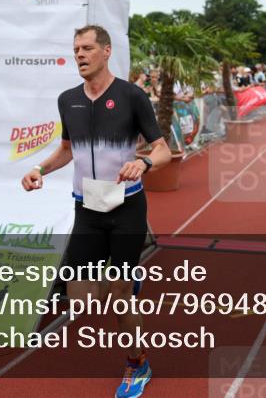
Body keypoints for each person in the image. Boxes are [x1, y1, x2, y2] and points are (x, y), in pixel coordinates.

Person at [22, 25, 171, 398]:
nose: (80, 55)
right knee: (82, 299)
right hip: (87, 205)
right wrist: (39, 169)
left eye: (87, 48)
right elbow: (68, 150)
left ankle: (138, 363)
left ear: (106, 52)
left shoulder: (131, 96)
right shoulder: (67, 99)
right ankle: (126, 284)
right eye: (75, 50)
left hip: (125, 205)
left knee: (119, 297)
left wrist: (145, 164)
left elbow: (163, 150)